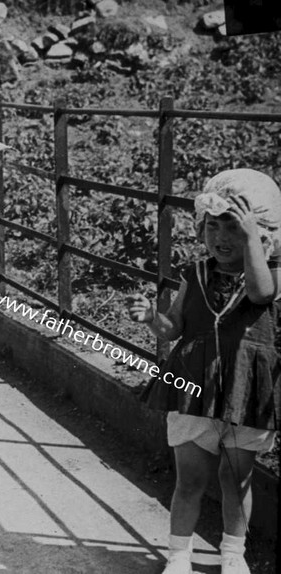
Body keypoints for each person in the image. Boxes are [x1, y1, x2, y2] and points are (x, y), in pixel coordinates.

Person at [126, 169, 281, 574]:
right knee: (190, 478)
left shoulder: (268, 274)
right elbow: (174, 327)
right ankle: (178, 555)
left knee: (237, 479)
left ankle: (233, 553)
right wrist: (151, 318)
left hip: (247, 390)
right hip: (193, 386)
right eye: (213, 226)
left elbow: (261, 294)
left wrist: (253, 245)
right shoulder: (195, 273)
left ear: (260, 233)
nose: (222, 237)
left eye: (235, 227)